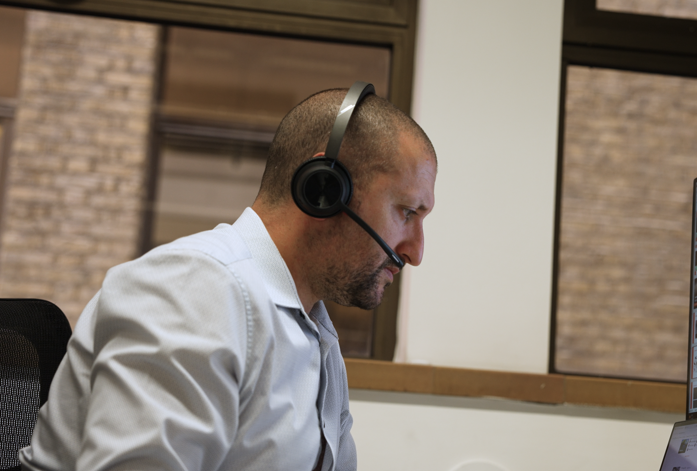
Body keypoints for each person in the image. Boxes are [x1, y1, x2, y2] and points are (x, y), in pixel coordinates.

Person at [18, 85, 437, 471]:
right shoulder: (191, 290)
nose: (414, 252)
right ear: (324, 190)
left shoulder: (312, 330)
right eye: (407, 212)